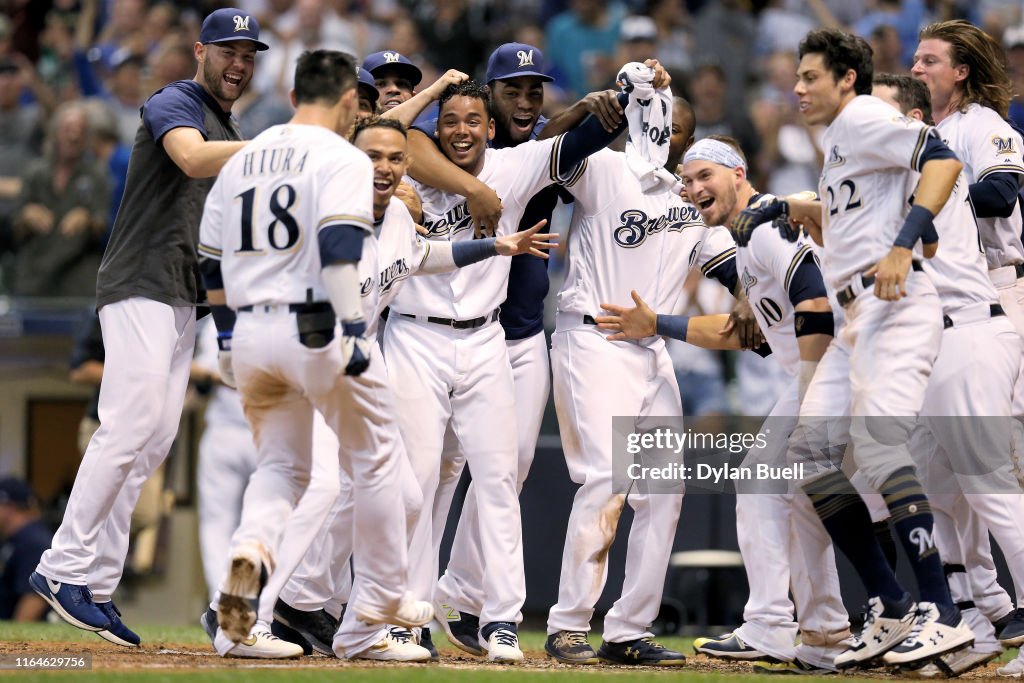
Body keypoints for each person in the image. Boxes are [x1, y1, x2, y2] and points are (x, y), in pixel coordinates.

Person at [29, 7, 267, 649]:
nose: (238, 63)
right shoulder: (175, 100)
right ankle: (61, 568)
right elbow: (189, 160)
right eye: (228, 51)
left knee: (152, 442)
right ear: (200, 51)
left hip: (182, 295)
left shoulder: (227, 121)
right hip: (139, 282)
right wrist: (277, 148)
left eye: (248, 54)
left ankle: (97, 585)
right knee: (129, 425)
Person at [381, 73, 635, 662]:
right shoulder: (408, 166)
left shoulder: (515, 165)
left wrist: (630, 93)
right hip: (414, 338)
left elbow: (584, 142)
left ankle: (500, 620)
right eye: (451, 122)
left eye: (473, 121)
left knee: (498, 480)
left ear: (490, 127)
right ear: (434, 129)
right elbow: (393, 134)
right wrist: (472, 189)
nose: (462, 130)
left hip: (485, 340)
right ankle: (405, 618)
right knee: (415, 483)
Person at [197, 49, 436, 653]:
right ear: (350, 102)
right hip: (315, 326)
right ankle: (381, 598)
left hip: (249, 333)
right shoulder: (341, 156)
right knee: (378, 460)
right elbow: (337, 248)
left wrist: (226, 338)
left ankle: (242, 597)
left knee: (281, 470)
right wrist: (354, 331)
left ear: (296, 89)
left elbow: (208, 259)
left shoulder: (246, 155)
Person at [768, 27, 972, 669]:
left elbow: (942, 160)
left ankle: (941, 611)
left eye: (810, 77)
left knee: (881, 445)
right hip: (856, 314)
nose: (798, 88)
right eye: (797, 77)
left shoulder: (861, 115)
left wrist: (903, 243)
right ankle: (889, 605)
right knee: (806, 457)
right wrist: (811, 210)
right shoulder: (837, 140)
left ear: (846, 78)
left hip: (895, 306)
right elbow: (868, 214)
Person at [543, 83, 746, 665]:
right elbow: (546, 147)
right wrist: (591, 106)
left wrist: (764, 294)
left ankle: (628, 629)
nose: (665, 141)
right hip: (594, 335)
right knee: (607, 478)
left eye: (679, 135)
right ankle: (568, 625)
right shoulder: (605, 168)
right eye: (657, 126)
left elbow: (731, 270)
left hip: (652, 348)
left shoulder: (694, 207)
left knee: (663, 494)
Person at [643, 136, 849, 674]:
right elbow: (749, 333)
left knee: (777, 483)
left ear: (738, 173)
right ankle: (824, 630)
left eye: (704, 175)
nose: (693, 189)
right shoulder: (747, 237)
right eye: (686, 181)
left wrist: (809, 387)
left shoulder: (767, 222)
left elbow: (813, 303)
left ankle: (778, 624)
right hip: (829, 367)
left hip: (836, 366)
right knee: (796, 495)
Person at [872, 71, 1024, 678]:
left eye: (879, 115)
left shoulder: (930, 166)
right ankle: (974, 622)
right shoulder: (893, 176)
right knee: (936, 495)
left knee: (994, 491)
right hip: (935, 346)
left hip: (967, 334)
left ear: (911, 121)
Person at [912, 21, 1024, 655]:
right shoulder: (928, 135)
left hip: (1000, 294)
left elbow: (1002, 193)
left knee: (993, 469)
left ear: (960, 71)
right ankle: (982, 609)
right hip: (943, 309)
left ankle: (1008, 603)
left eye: (931, 59)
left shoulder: (984, 125)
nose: (919, 66)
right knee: (941, 473)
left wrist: (928, 197)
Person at [0, 478, 51, 621]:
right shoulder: (16, 538)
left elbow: (34, 596)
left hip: (23, 633)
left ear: (8, 507)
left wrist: (13, 641)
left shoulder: (32, 541)